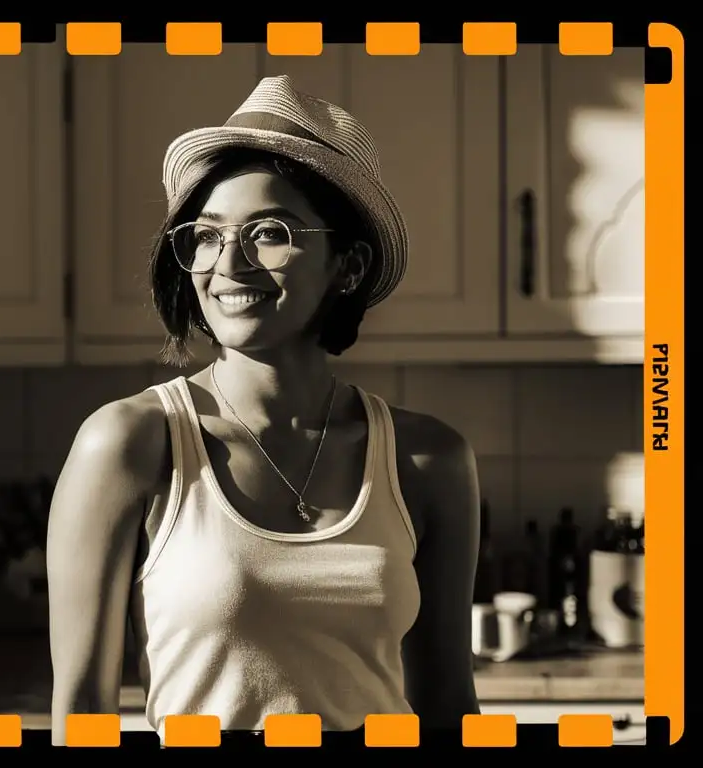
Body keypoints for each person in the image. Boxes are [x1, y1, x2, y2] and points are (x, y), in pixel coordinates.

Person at [47, 76, 481, 745]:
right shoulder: (131, 443)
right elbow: (81, 712)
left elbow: (449, 704)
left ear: (349, 264)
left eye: (269, 233)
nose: (230, 263)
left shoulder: (430, 460)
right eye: (207, 235)